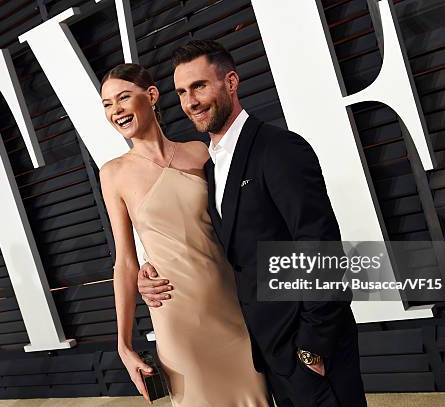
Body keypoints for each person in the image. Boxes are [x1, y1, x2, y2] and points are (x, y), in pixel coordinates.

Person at [137, 40, 367, 407]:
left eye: (199, 86)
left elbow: (322, 249)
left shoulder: (279, 148)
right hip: (268, 353)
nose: (190, 102)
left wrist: (312, 348)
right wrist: (147, 271)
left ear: (230, 83)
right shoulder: (211, 167)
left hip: (309, 351)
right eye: (181, 92)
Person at [99, 63, 269, 406]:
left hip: (232, 304)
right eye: (106, 104)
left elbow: (235, 225)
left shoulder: (200, 152)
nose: (115, 110)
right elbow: (125, 261)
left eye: (123, 98)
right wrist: (124, 344)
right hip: (176, 314)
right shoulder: (114, 174)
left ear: (150, 96)